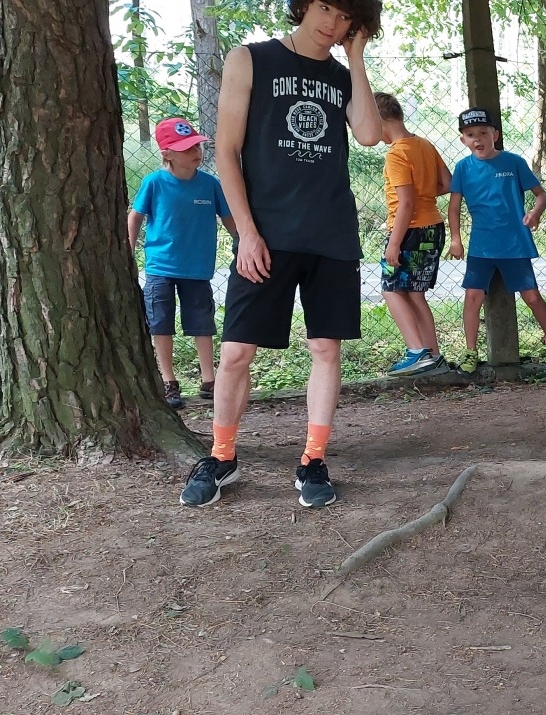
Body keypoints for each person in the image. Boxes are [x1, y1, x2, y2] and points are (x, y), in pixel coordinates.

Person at [179, 0, 385, 509]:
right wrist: (247, 233)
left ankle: (313, 459)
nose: (331, 22)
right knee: (235, 352)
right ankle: (221, 455)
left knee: (326, 349)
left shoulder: (341, 77)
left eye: (345, 16)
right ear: (303, 5)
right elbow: (226, 151)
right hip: (266, 234)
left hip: (331, 235)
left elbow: (368, 134)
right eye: (324, 7)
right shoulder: (250, 59)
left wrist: (356, 57)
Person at [445, 107, 546, 375]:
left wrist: (535, 213)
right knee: (472, 296)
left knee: (531, 297)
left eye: (483, 133)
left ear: (495, 135)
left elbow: (541, 195)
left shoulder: (514, 162)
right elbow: (453, 208)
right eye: (470, 134)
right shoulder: (463, 168)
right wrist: (456, 239)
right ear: (463, 140)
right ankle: (470, 351)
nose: (478, 139)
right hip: (481, 246)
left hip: (514, 244)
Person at [129, 117, 236, 409]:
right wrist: (129, 251)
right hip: (160, 267)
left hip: (197, 268)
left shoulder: (210, 184)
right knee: (160, 323)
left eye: (196, 146)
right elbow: (135, 216)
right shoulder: (154, 182)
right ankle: (169, 381)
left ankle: (209, 379)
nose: (195, 152)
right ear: (167, 154)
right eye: (186, 149)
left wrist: (242, 243)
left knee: (202, 323)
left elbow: (229, 219)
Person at [375, 91, 451, 376]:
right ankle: (433, 355)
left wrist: (393, 244)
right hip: (433, 227)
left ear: (379, 121)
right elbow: (447, 183)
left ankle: (416, 351)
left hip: (408, 231)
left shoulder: (396, 153)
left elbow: (405, 203)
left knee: (390, 290)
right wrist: (423, 195)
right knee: (415, 293)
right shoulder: (424, 144)